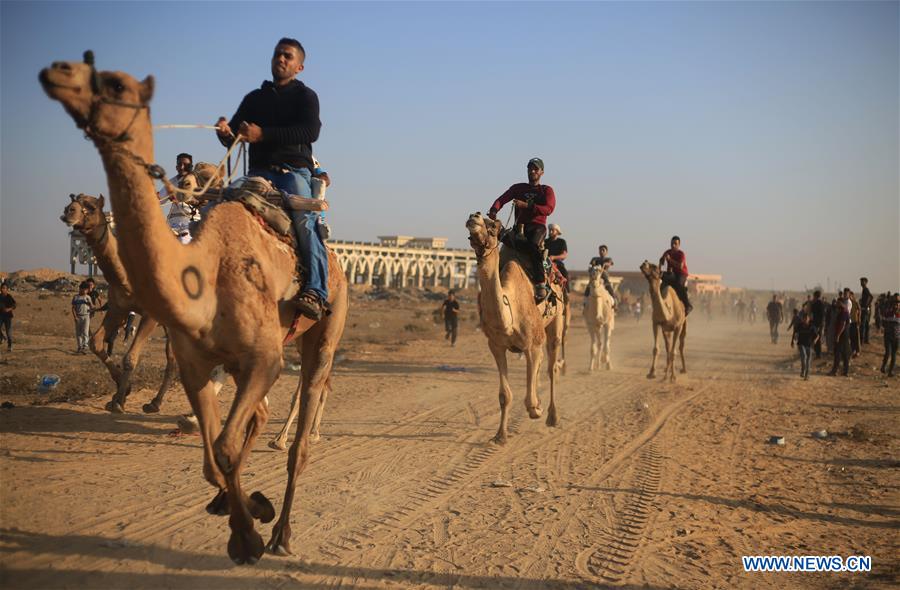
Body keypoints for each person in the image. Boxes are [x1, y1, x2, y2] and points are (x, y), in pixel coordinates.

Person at [216, 37, 328, 320]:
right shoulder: (254, 99)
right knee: (218, 210)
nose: (281, 59)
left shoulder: (306, 97)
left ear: (299, 66)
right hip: (257, 174)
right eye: (278, 54)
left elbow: (309, 132)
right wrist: (225, 134)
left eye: (287, 56)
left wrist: (263, 134)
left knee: (305, 221)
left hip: (293, 173)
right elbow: (233, 137)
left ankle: (316, 290)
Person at [487, 157, 556, 302]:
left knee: (532, 247)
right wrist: (494, 209)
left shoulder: (546, 190)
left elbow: (549, 209)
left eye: (535, 169)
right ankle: (490, 285)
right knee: (497, 239)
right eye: (530, 168)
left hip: (537, 227)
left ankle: (540, 284)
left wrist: (527, 206)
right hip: (519, 228)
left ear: (542, 172)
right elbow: (502, 199)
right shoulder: (518, 188)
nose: (532, 171)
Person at [160, 153, 201, 244]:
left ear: (191, 166)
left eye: (185, 165)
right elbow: (159, 200)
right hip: (173, 224)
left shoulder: (198, 182)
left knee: (184, 241)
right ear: (176, 167)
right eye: (180, 164)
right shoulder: (170, 183)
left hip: (191, 223)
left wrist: (194, 201)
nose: (182, 167)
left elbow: (206, 201)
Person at [658, 236, 692, 314]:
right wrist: (661, 263)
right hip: (672, 274)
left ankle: (688, 305)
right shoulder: (667, 252)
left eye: (675, 244)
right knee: (661, 281)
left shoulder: (681, 254)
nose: (673, 245)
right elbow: (661, 261)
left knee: (679, 285)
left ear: (679, 245)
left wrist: (670, 260)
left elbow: (680, 266)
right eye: (672, 243)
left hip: (681, 274)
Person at [828, 290, 851, 376]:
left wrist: (837, 335)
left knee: (838, 352)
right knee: (844, 353)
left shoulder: (843, 312)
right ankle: (845, 371)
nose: (836, 304)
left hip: (842, 334)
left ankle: (835, 371)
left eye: (838, 303)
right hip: (844, 334)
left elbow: (843, 324)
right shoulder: (842, 311)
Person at [791, 312, 819, 380]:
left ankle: (807, 375)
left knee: (808, 360)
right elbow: (795, 333)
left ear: (809, 319)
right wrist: (792, 341)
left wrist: (815, 341)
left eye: (806, 318)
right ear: (802, 319)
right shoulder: (799, 326)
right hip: (801, 344)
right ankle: (803, 370)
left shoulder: (812, 326)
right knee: (804, 357)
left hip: (809, 345)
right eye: (804, 318)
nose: (805, 320)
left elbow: (817, 335)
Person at [545, 223, 568, 291]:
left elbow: (564, 255)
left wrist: (554, 257)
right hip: (545, 262)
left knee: (565, 273)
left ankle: (566, 292)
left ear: (557, 232)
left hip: (558, 263)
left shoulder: (562, 242)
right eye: (549, 230)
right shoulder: (545, 241)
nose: (550, 232)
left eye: (552, 230)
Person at [880, 293, 899, 377]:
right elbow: (883, 322)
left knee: (894, 355)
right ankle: (883, 366)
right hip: (888, 336)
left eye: (898, 304)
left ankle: (890, 371)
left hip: (897, 337)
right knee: (888, 352)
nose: (897, 305)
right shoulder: (888, 313)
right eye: (895, 304)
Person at [72, 282, 93, 354]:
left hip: (86, 316)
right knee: (78, 333)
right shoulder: (76, 297)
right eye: (83, 289)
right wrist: (75, 317)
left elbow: (92, 307)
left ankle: (85, 347)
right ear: (80, 289)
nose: (85, 291)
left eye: (86, 290)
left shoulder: (88, 297)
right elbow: (73, 308)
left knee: (85, 332)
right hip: (78, 316)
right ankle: (79, 347)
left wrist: (90, 305)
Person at [810, 290, 827, 359]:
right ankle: (817, 353)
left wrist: (820, 326)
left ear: (815, 296)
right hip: (816, 323)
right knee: (815, 337)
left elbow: (822, 315)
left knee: (818, 338)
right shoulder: (816, 304)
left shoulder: (820, 304)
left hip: (818, 324)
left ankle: (818, 354)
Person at [0, 283, 16, 352]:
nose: (3, 289)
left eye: (4, 288)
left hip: (8, 316)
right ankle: (2, 337)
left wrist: (8, 309)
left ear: (7, 289)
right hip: (0, 315)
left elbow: (14, 305)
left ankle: (10, 346)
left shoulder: (9, 297)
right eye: (2, 288)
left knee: (8, 333)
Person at [859, 277, 873, 345]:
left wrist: (866, 305)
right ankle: (866, 340)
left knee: (863, 325)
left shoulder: (865, 289)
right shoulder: (864, 289)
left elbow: (870, 296)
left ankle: (862, 340)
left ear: (865, 282)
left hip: (865, 310)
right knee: (866, 325)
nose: (861, 283)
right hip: (866, 310)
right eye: (861, 281)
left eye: (862, 281)